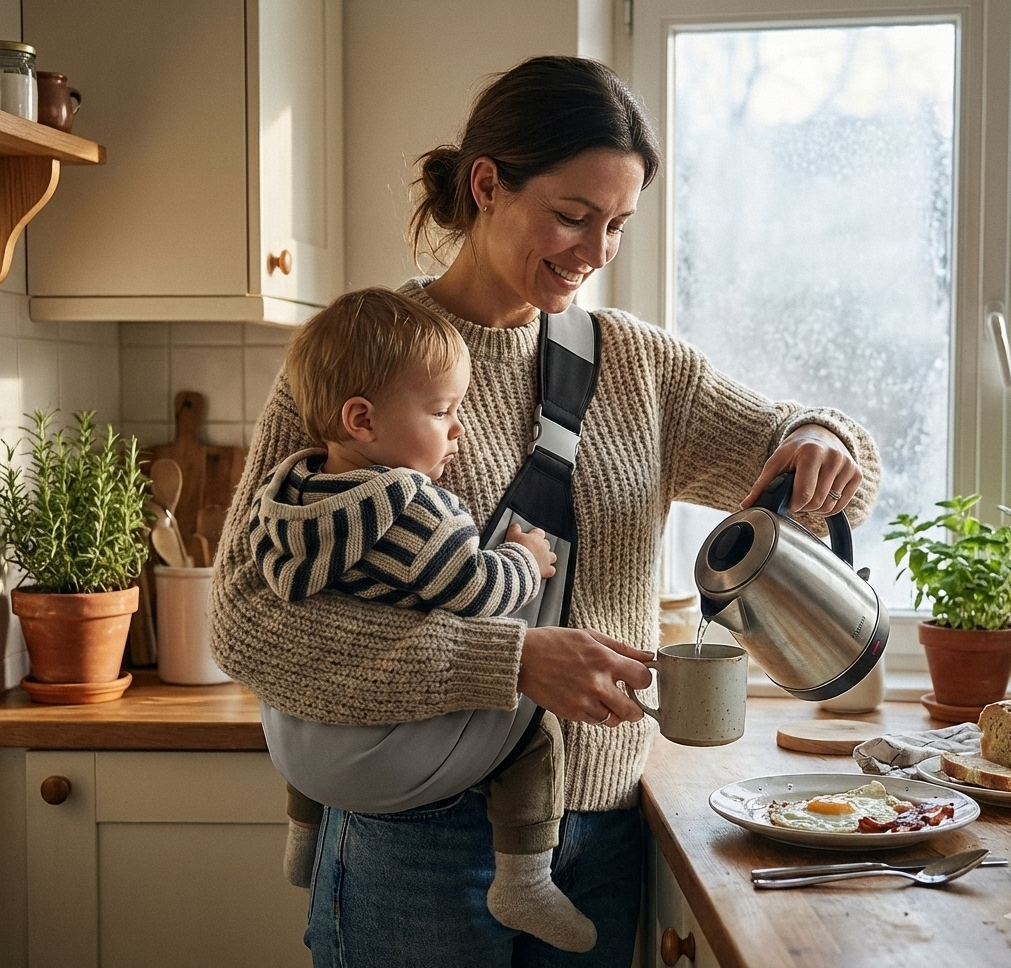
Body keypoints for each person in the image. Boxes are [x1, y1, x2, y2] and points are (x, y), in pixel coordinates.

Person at [209, 55, 881, 968]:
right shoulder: (353, 363)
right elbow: (246, 625)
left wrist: (820, 434)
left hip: (602, 832)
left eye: (616, 225)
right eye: (571, 215)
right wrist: (507, 661)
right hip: (419, 835)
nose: (595, 251)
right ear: (486, 184)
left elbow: (816, 462)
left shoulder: (643, 369)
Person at [249, 286, 597, 952]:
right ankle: (522, 881)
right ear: (363, 419)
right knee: (534, 737)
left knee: (308, 699)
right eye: (441, 412)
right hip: (410, 753)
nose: (457, 428)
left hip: (317, 749)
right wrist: (523, 559)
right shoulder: (406, 507)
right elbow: (474, 586)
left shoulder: (292, 490)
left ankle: (303, 834)